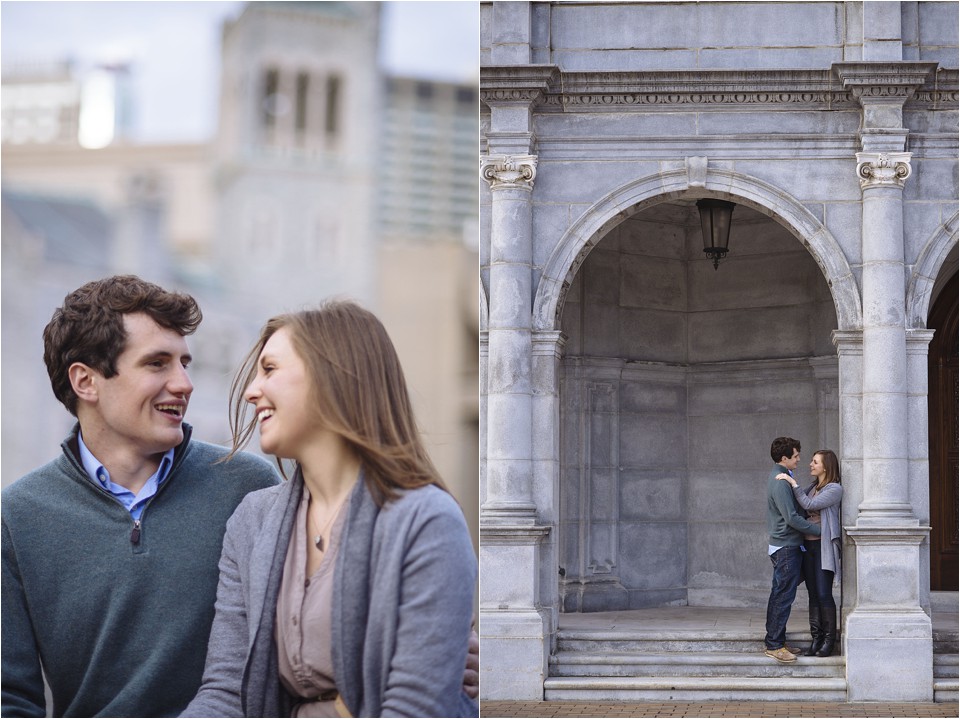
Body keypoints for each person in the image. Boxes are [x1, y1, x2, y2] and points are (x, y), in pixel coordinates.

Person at [1, 276, 281, 717]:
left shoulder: (248, 488)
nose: (184, 383)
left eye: (185, 363)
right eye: (157, 363)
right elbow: (9, 699)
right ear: (86, 381)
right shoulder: (17, 517)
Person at [184, 301, 478, 718]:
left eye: (269, 370)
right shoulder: (252, 521)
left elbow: (416, 708)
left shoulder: (426, 521)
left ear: (331, 378)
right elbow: (227, 692)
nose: (251, 390)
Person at [777, 449, 842, 657]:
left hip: (824, 547)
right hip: (808, 547)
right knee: (813, 595)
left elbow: (809, 505)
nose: (810, 465)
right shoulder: (814, 486)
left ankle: (829, 641)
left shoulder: (834, 489)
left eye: (815, 462)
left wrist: (791, 482)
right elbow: (799, 504)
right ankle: (816, 639)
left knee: (824, 594)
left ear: (826, 466)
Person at [763, 436, 822, 664]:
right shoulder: (780, 481)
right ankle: (774, 645)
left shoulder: (786, 477)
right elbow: (791, 518)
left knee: (781, 593)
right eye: (796, 456)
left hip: (788, 546)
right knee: (782, 596)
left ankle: (777, 640)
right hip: (786, 547)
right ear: (784, 457)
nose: (799, 459)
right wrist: (821, 531)